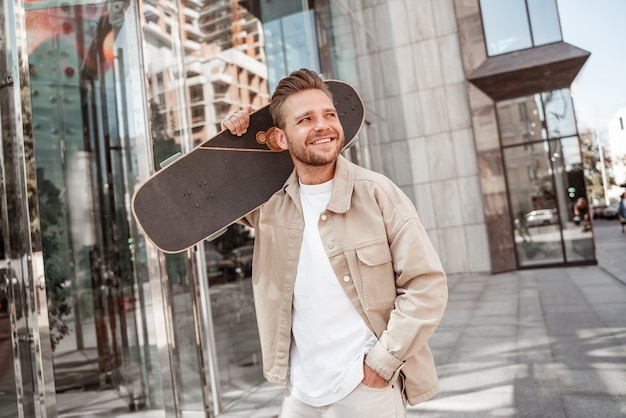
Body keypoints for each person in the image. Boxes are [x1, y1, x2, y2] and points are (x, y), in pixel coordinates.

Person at [222, 69, 448, 418]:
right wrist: (240, 135)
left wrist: (380, 365)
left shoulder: (377, 194)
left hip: (364, 390)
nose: (323, 125)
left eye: (329, 114)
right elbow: (212, 201)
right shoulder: (270, 208)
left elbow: (426, 286)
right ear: (282, 139)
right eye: (306, 119)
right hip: (301, 392)